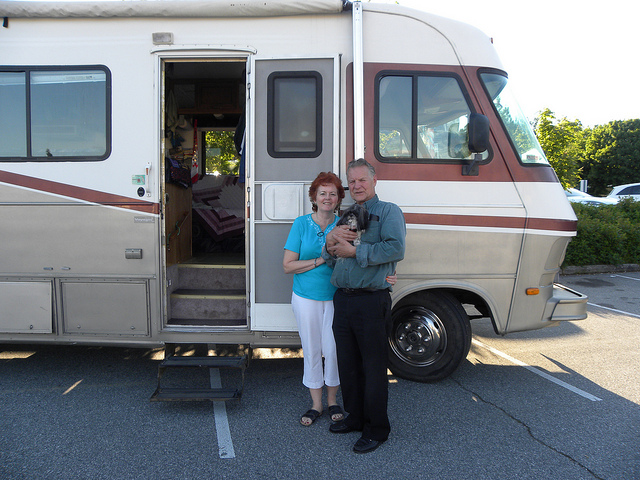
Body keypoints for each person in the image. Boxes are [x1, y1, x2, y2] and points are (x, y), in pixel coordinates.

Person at [322, 158, 406, 454]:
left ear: (374, 180)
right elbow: (332, 255)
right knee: (348, 364)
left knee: (372, 368)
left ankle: (377, 429)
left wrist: (355, 249)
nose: (356, 185)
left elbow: (396, 247)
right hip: (343, 299)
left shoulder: (388, 211)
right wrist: (331, 242)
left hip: (371, 300)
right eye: (352, 181)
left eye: (361, 180)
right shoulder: (348, 214)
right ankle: (356, 418)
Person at [283, 172, 346, 426]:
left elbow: (355, 257)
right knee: (312, 350)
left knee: (332, 351)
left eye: (333, 193)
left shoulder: (344, 225)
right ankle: (316, 404)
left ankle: (333, 401)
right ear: (314, 197)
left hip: (336, 297)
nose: (327, 198)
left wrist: (386, 274)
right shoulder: (300, 224)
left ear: (339, 198)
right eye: (323, 193)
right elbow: (288, 266)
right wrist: (321, 260)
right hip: (305, 297)